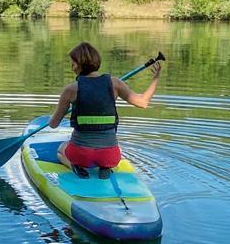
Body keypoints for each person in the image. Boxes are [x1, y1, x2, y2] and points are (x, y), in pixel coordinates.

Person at [47, 41, 161, 179]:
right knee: (115, 149)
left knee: (61, 149)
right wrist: (155, 79)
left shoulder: (70, 90)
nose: (72, 68)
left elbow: (53, 124)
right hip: (110, 156)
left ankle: (74, 167)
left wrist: (60, 110)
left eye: (73, 63)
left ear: (80, 64)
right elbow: (143, 102)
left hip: (81, 156)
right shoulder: (115, 83)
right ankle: (105, 167)